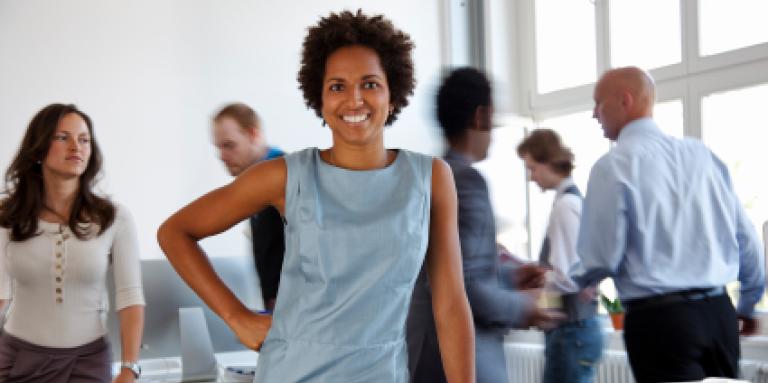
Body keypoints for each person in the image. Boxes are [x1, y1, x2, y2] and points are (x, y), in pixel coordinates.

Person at [157, 10, 475, 382]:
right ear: (320, 100)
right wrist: (236, 317)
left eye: (370, 84)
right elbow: (175, 232)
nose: (354, 99)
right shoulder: (286, 176)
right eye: (337, 86)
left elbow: (450, 305)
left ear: (393, 94)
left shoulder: (431, 179)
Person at [573, 66, 765, 382]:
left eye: (598, 103)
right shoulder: (702, 155)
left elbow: (601, 258)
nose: (594, 114)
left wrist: (570, 280)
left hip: (662, 323)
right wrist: (746, 304)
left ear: (625, 100)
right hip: (719, 315)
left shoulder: (613, 166)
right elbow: (746, 239)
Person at [407, 67, 555, 383]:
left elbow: (449, 267)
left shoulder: (428, 178)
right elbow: (465, 288)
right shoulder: (467, 183)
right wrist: (524, 307)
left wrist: (510, 274)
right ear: (481, 115)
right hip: (463, 360)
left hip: (424, 356)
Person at [0, 104, 146, 382]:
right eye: (62, 137)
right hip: (18, 359)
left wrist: (130, 368)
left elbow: (130, 298)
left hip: (88, 364)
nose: (76, 147)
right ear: (39, 148)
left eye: (84, 139)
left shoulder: (115, 218)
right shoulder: (7, 215)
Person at [517, 129, 603, 383]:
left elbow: (566, 276)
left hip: (571, 332)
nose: (531, 178)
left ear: (548, 162)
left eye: (532, 168)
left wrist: (531, 284)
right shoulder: (574, 201)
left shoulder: (565, 207)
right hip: (578, 329)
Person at [212, 103, 285, 311]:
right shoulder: (254, 186)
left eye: (229, 145)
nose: (222, 156)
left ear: (253, 135)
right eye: (218, 148)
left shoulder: (283, 176)